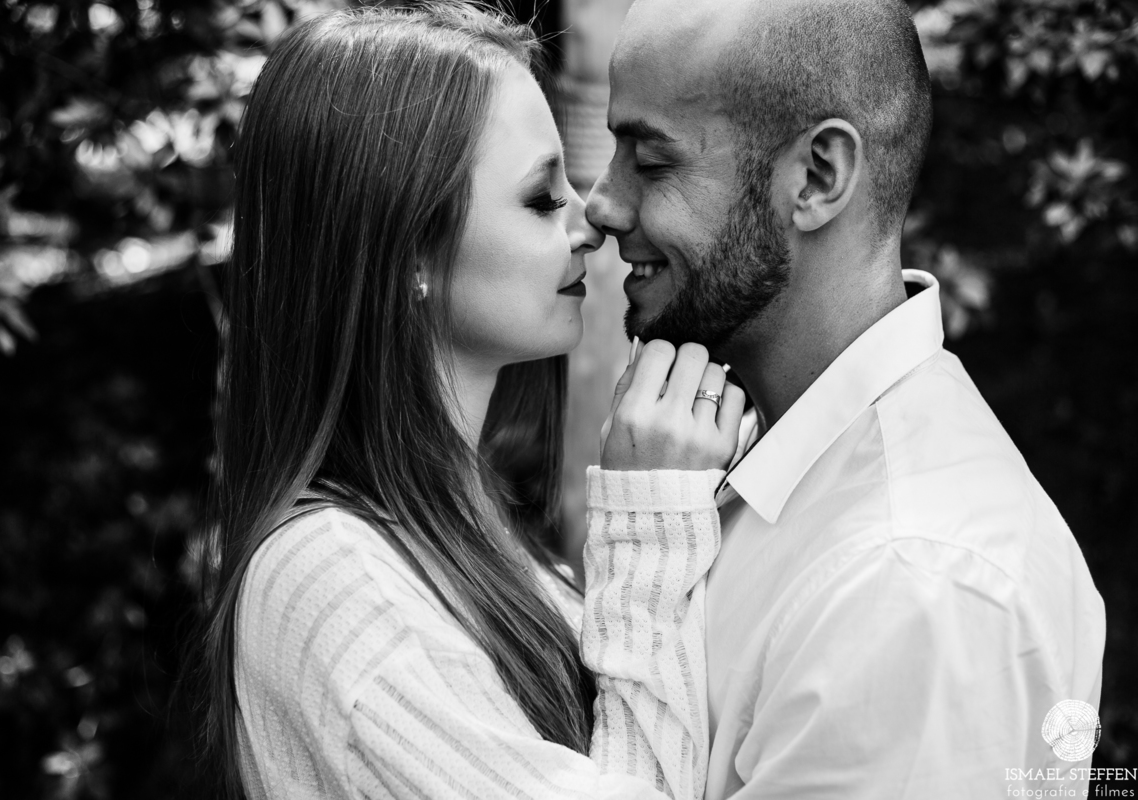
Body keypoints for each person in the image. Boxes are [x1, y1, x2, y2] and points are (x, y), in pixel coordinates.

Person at [196, 3, 743, 799]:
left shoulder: (468, 528)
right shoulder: (330, 579)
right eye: (540, 199)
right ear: (409, 251)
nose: (591, 222)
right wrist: (650, 520)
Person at [590, 0, 1107, 797]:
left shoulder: (913, 584)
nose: (602, 204)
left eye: (651, 163)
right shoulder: (753, 453)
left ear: (819, 177)